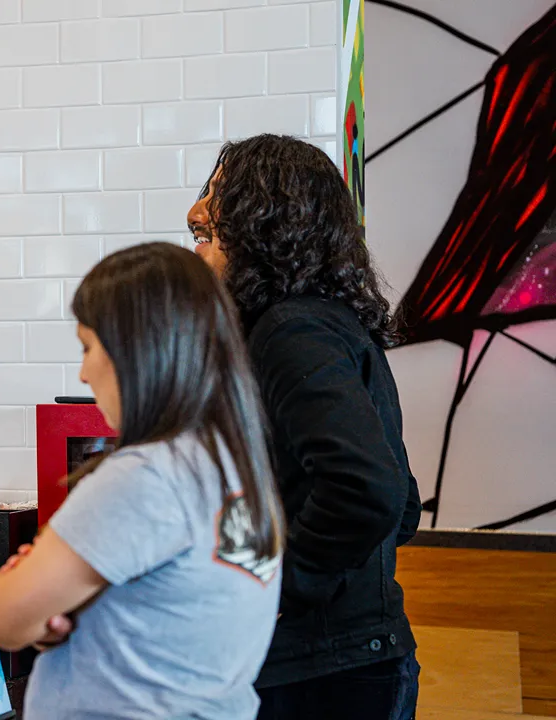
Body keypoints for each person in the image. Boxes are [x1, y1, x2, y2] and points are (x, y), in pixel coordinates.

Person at [0, 243, 285, 719]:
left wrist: (24, 587)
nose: (82, 372)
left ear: (136, 349)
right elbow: (168, 608)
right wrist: (66, 607)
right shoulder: (233, 463)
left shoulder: (148, 476)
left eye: (88, 347)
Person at [188, 134, 422, 719]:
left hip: (327, 673)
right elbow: (403, 504)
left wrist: (281, 587)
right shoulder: (325, 323)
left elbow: (373, 491)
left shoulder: (293, 333)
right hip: (350, 659)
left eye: (209, 236)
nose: (198, 253)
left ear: (262, 231)